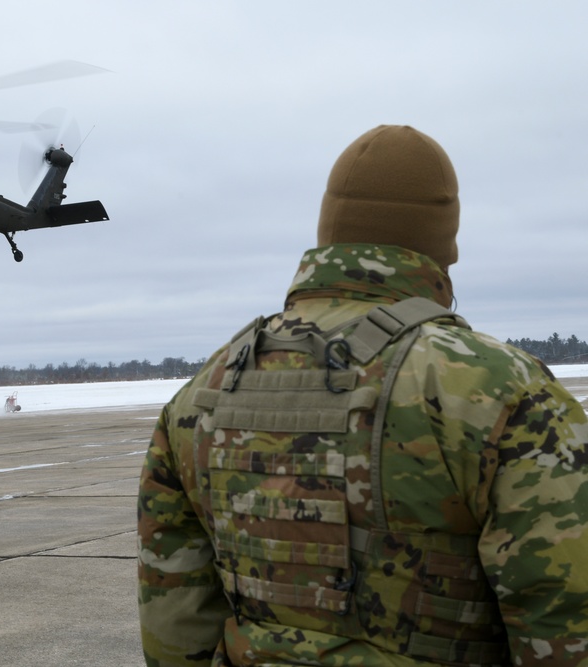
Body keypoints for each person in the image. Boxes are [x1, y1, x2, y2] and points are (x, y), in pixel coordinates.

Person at [137, 125, 588, 666]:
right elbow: (565, 616)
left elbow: (174, 621)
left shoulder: (199, 395)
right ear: (443, 243)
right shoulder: (501, 390)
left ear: (329, 230)